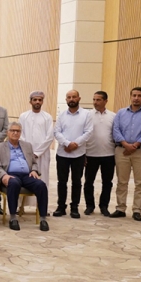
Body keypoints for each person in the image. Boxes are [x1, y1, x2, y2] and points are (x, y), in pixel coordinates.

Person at [0, 122, 50, 231]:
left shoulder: (27, 146)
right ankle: (13, 218)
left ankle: (43, 219)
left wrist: (34, 170)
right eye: (12, 130)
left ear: (20, 133)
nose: (15, 133)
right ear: (7, 132)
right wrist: (4, 175)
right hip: (10, 175)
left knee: (41, 185)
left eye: (17, 131)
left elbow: (34, 163)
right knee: (14, 183)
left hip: (27, 175)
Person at [109, 87, 141, 220]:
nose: (136, 98)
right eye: (134, 95)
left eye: (139, 96)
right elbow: (116, 129)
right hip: (122, 150)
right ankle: (120, 208)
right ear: (130, 96)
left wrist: (135, 145)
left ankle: (137, 210)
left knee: (140, 182)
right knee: (122, 181)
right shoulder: (121, 113)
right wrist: (125, 144)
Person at [53, 89, 93, 218]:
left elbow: (88, 132)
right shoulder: (61, 115)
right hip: (62, 154)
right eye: (69, 97)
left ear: (79, 98)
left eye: (74, 97)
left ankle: (74, 207)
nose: (71, 99)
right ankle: (61, 207)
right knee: (62, 182)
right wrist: (67, 144)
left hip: (78, 154)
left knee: (76, 182)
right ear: (66, 100)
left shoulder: (86, 114)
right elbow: (56, 132)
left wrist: (75, 144)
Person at [17, 91, 53, 213]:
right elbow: (20, 134)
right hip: (26, 154)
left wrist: (37, 153)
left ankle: (41, 208)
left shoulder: (47, 117)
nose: (37, 102)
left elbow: (49, 137)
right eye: (35, 100)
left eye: (39, 100)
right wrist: (28, 152)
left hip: (42, 155)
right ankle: (19, 207)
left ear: (42, 101)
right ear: (30, 101)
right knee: (24, 178)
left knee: (43, 180)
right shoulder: (23, 116)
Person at [84, 91, 116, 216]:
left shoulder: (113, 116)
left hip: (109, 155)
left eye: (98, 100)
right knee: (88, 182)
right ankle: (89, 206)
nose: (95, 102)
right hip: (91, 154)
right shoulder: (87, 115)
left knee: (107, 183)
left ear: (105, 101)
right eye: (94, 99)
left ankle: (104, 206)